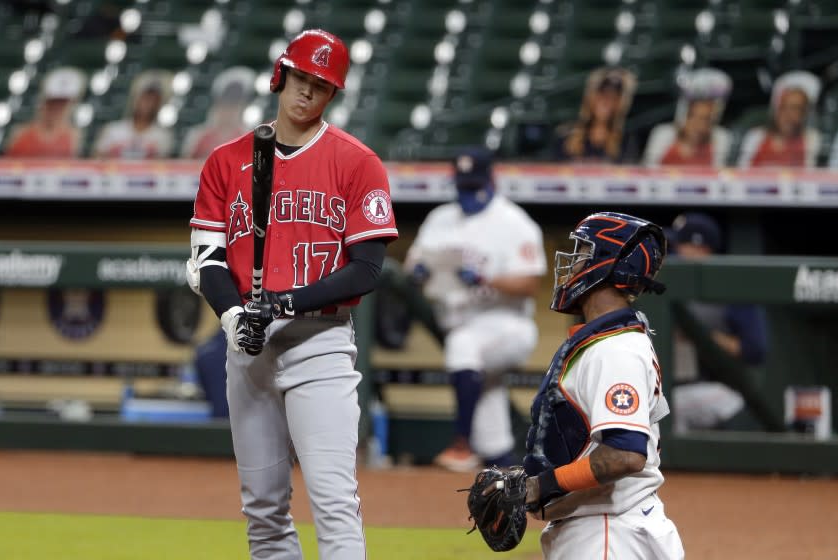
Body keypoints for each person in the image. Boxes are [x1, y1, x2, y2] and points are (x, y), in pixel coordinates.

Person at [186, 29, 398, 559]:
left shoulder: (356, 161)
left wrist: (283, 302)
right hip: (248, 347)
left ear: (333, 95)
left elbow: (367, 270)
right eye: (301, 78)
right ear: (281, 76)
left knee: (332, 500)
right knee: (262, 510)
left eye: (321, 86)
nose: (307, 92)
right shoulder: (224, 161)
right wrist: (234, 316)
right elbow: (208, 259)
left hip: (319, 343)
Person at [521, 212, 684, 559]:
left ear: (608, 265)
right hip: (605, 528)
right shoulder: (607, 342)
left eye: (582, 251)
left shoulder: (615, 351)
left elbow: (624, 455)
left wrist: (540, 485)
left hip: (610, 534)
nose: (573, 262)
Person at [404, 146, 547, 471]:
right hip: (457, 318)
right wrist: (419, 270)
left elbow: (530, 284)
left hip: (506, 324)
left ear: (491, 180)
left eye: (473, 186)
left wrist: (486, 278)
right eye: (462, 186)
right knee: (489, 414)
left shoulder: (514, 222)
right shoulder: (439, 218)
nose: (467, 193)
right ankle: (506, 472)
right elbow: (414, 261)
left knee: (462, 347)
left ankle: (460, 444)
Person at [669, 212, 768, 432]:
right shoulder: (664, 288)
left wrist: (701, 336)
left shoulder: (729, 291)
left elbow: (755, 350)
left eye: (681, 246)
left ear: (700, 248)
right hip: (666, 387)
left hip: (710, 388)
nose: (675, 254)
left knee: (674, 407)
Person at [643, 68, 733, 167]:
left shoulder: (720, 138)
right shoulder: (663, 134)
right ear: (683, 115)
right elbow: (648, 173)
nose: (699, 126)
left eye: (706, 120)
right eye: (693, 117)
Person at [738, 70, 821, 168]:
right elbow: (741, 176)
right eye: (783, 107)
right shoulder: (755, 138)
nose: (787, 115)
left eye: (795, 109)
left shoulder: (811, 140)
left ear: (805, 113)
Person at [553, 67, 637, 163]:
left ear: (620, 104)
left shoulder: (625, 141)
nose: (606, 102)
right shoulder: (565, 136)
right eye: (602, 94)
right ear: (591, 97)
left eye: (614, 97)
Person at [3, 66, 86, 158]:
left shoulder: (74, 137)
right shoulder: (20, 134)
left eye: (62, 104)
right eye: (52, 103)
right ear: (43, 103)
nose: (56, 109)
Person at [93, 70, 174, 158]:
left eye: (154, 100)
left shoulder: (163, 136)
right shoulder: (113, 130)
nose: (148, 104)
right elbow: (98, 160)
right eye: (145, 98)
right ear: (135, 98)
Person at [181, 66, 256, 159]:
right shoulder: (198, 136)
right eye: (225, 105)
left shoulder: (249, 139)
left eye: (234, 105)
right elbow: (186, 165)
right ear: (217, 105)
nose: (229, 111)